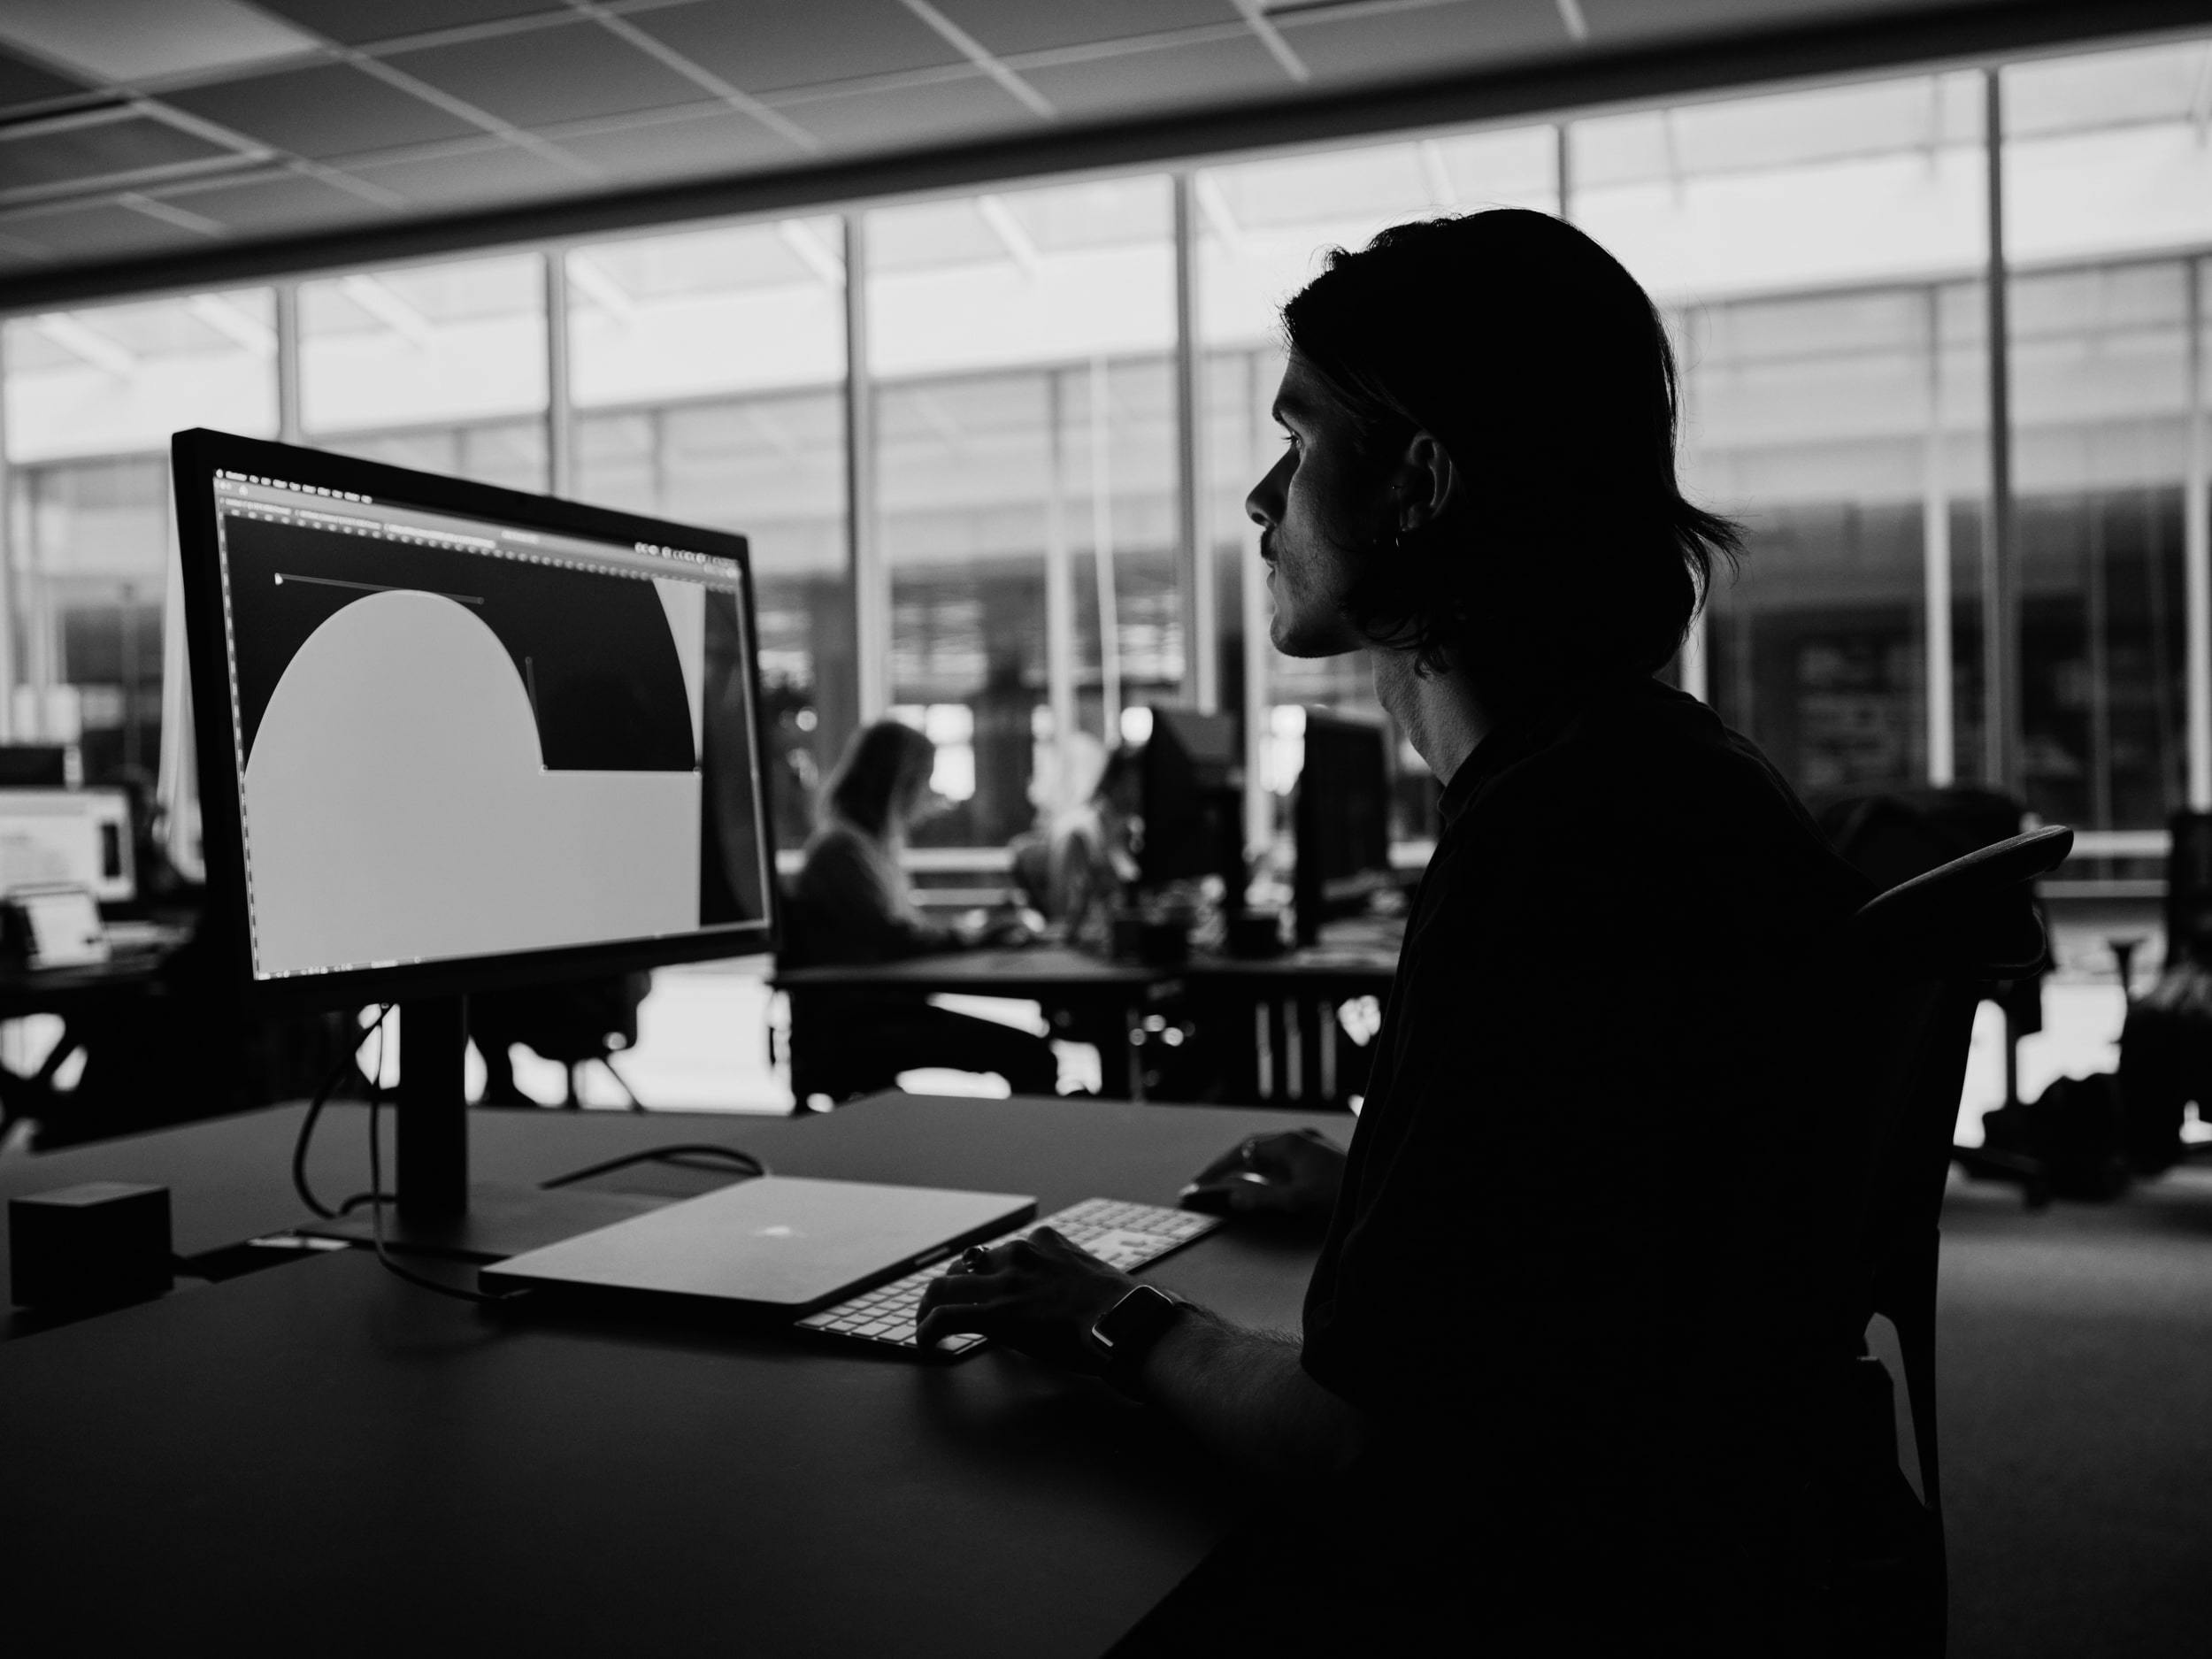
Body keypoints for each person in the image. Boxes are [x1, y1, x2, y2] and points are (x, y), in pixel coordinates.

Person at [918, 211, 1893, 1652]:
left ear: (1419, 484)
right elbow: (1599, 1215)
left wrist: (1107, 1316)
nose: (1263, 494)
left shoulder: (1558, 855)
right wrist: (1394, 1177)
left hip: (1611, 1600)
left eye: (1301, 440)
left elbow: (1369, 1455)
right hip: (1768, 1550)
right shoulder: (1666, 776)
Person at [785, 718, 1058, 1100]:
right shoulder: (843, 851)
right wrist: (974, 935)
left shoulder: (864, 847)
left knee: (1030, 1054)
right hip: (861, 1025)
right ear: (899, 785)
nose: (929, 795)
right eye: (925, 780)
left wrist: (974, 932)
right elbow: (895, 938)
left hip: (876, 1012)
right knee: (1031, 1057)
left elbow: (896, 933)